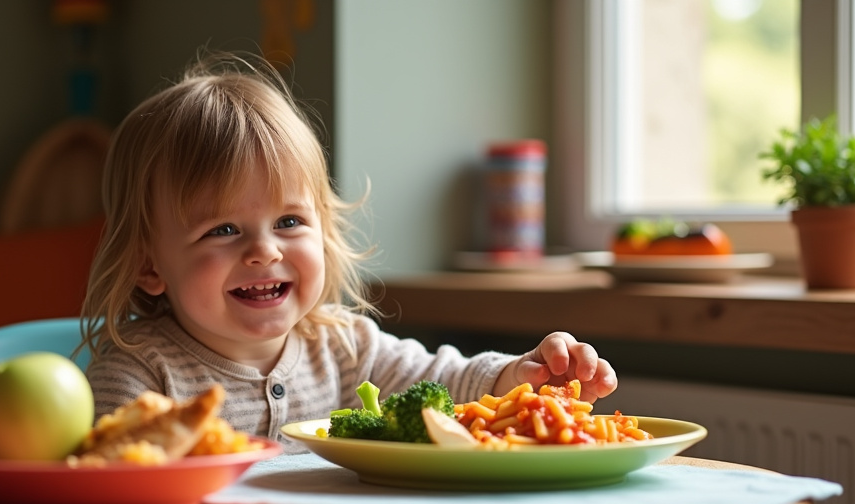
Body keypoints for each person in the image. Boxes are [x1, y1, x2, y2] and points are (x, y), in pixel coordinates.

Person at [80, 51, 616, 448]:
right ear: (150, 264)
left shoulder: (341, 344)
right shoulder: (136, 374)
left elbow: (444, 380)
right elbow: (111, 480)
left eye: (289, 221)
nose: (264, 251)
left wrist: (521, 375)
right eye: (222, 230)